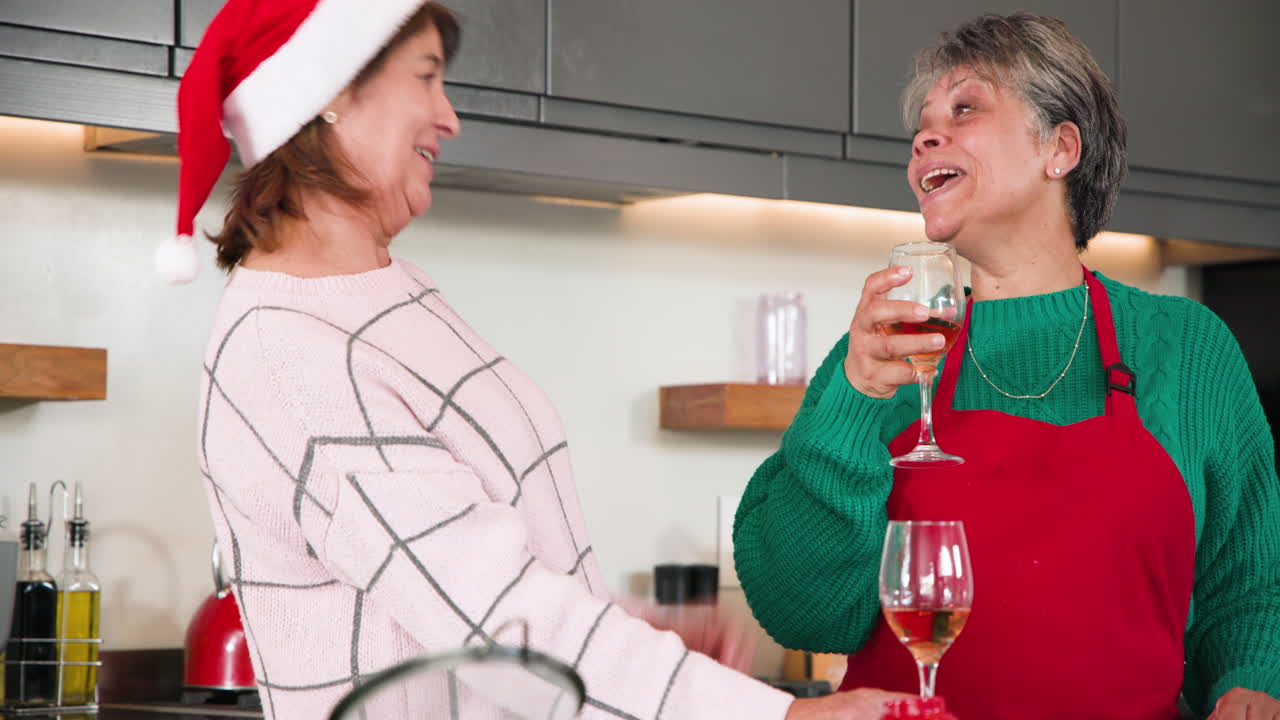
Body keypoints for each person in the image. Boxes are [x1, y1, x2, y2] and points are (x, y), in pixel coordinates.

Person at [169, 0, 914, 717]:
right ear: (331, 89)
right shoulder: (295, 354)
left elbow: (461, 587)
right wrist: (773, 717)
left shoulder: (376, 299)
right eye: (426, 75)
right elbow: (498, 622)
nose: (449, 115)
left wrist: (642, 647)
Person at [733, 12, 1280, 720]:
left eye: (965, 109)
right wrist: (854, 394)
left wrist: (1250, 682)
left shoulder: (1185, 347)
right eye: (923, 126)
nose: (928, 136)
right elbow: (805, 614)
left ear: (1060, 148)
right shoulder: (889, 351)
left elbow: (1249, 582)